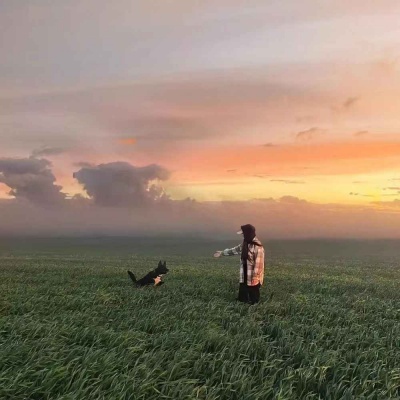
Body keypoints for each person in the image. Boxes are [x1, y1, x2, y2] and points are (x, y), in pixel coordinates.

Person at [214, 224, 265, 305]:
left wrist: (256, 277)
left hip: (253, 275)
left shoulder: (258, 247)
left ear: (248, 233)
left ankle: (254, 306)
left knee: (253, 294)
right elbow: (235, 250)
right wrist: (222, 253)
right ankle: (242, 301)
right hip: (245, 272)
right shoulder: (245, 243)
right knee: (243, 289)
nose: (242, 236)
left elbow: (259, 264)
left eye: (243, 234)